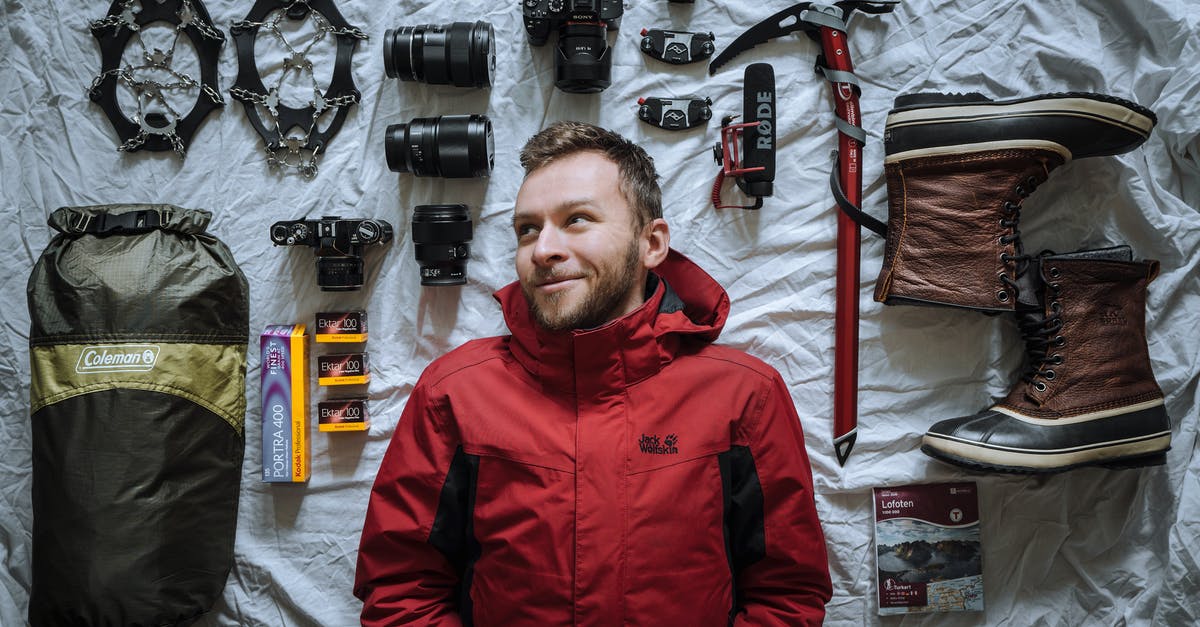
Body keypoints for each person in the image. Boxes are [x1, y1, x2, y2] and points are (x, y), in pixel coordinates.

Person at [354, 121, 832, 625]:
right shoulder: (453, 392)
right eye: (527, 229)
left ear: (651, 244)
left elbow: (787, 593)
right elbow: (401, 588)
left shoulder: (745, 396)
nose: (543, 250)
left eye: (577, 219)